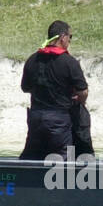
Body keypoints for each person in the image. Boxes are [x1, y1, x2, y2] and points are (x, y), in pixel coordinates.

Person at [20, 20, 88, 160]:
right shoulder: (69, 62)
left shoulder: (32, 59)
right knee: (63, 160)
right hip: (59, 121)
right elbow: (83, 91)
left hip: (36, 118)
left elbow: (25, 88)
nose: (69, 41)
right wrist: (79, 100)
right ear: (63, 37)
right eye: (70, 37)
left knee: (33, 159)